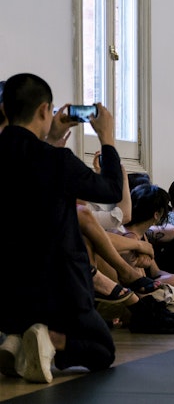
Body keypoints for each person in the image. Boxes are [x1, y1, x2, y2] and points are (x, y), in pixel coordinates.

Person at [0, 73, 121, 383]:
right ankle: (50, 340)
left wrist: (50, 139)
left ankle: (15, 337)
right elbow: (110, 191)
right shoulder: (57, 161)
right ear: (45, 111)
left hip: (8, 291)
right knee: (102, 350)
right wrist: (106, 138)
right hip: (59, 289)